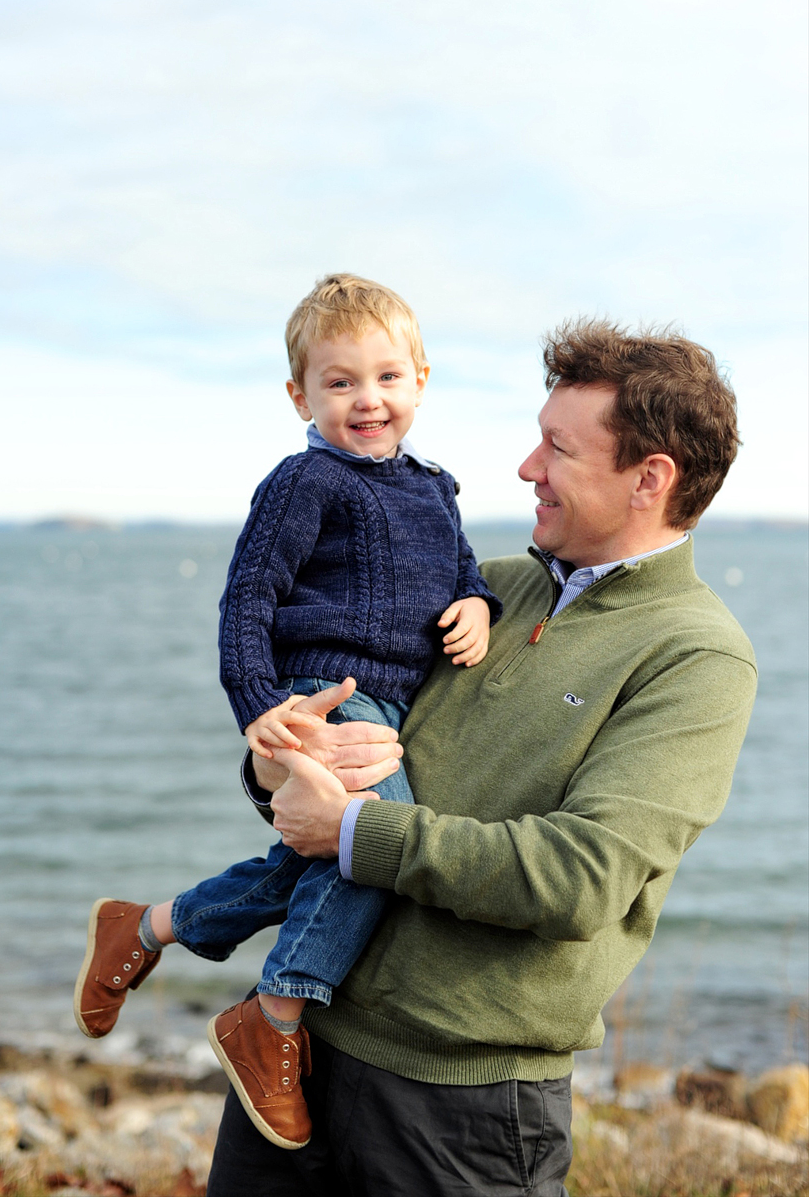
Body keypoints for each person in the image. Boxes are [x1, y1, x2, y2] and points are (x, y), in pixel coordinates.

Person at [203, 319, 758, 1196]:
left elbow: (580, 878)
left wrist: (354, 830)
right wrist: (278, 766)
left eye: (557, 448)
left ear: (650, 478)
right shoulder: (484, 589)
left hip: (466, 1105)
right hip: (299, 1049)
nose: (526, 467)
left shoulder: (695, 657)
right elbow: (323, 761)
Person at [73, 274, 501, 1149]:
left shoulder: (436, 487)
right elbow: (247, 601)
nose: (366, 399)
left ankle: (148, 925)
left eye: (387, 376)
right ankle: (273, 1011)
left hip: (398, 706)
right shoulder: (304, 481)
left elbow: (460, 570)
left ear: (421, 377)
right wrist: (259, 709)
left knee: (325, 856)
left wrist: (479, 604)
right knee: (371, 842)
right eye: (339, 382)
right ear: (299, 394)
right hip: (327, 696)